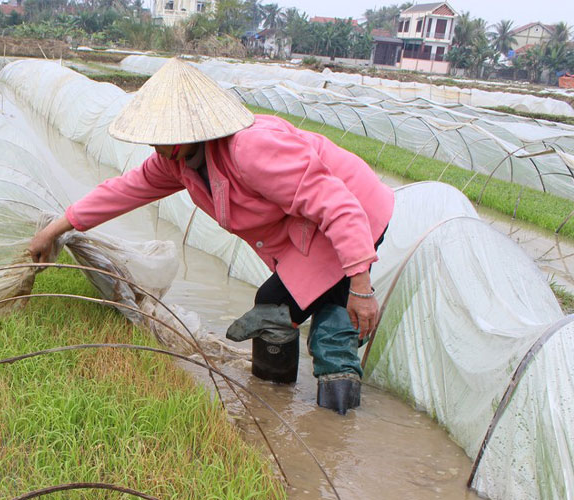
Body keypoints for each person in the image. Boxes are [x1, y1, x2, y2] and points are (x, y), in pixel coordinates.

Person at [28, 58, 394, 414]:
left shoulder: (252, 149)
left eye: (161, 136)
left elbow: (337, 206)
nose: (154, 146)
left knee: (311, 318)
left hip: (355, 216)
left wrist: (361, 286)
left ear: (189, 130)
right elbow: (123, 191)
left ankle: (335, 422)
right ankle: (277, 398)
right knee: (282, 309)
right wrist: (57, 228)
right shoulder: (178, 162)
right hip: (313, 231)